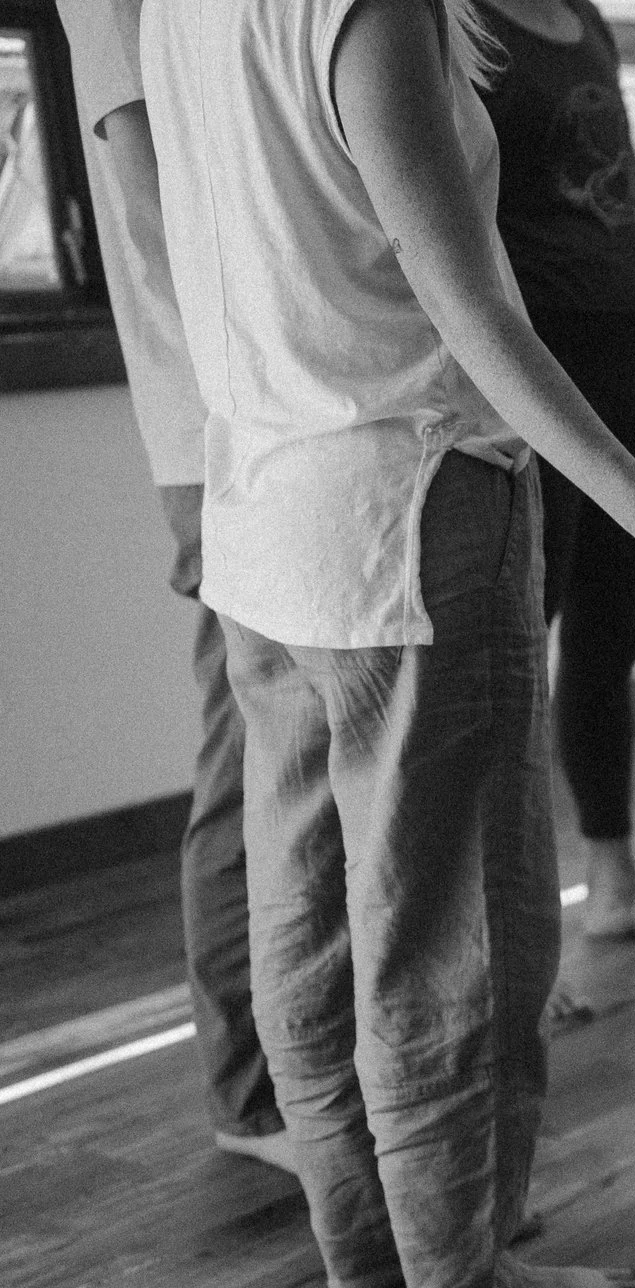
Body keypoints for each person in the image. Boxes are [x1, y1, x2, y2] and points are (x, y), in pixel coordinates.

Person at [139, 0, 635, 1288]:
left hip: (265, 508)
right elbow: (469, 302)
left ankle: (371, 1238)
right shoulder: (356, 11)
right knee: (454, 921)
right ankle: (465, 1271)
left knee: (307, 901)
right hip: (403, 502)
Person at [56, 0, 293, 1176]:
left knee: (287, 762)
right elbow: (152, 197)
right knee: (249, 760)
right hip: (218, 424)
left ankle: (298, 1074)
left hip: (258, 402)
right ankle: (250, 1096)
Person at [475, 0, 635, 950]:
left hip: (625, 346)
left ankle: (614, 881)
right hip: (538, 366)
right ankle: (510, 934)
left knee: (609, 627)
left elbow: (623, 182)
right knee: (517, 641)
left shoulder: (580, 16)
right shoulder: (456, 21)